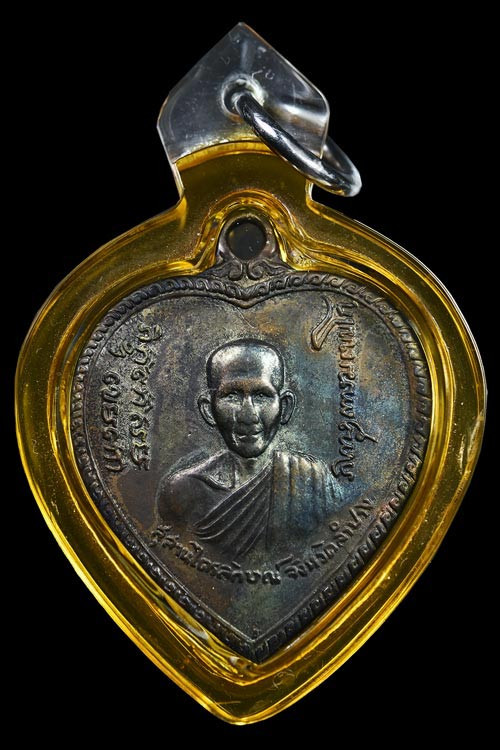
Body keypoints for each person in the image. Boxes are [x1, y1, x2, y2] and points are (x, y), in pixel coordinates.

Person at [156, 339, 339, 558]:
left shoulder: (313, 480)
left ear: (285, 406)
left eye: (261, 396)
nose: (248, 416)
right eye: (232, 395)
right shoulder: (182, 492)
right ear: (208, 409)